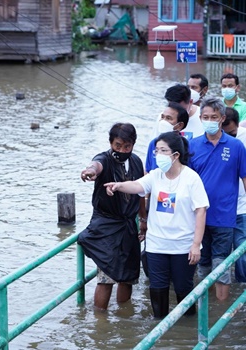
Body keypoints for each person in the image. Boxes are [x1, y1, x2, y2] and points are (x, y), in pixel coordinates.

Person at [105, 131, 208, 318]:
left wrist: (195, 245)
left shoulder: (191, 178)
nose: (158, 155)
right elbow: (137, 186)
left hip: (182, 246)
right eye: (156, 151)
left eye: (163, 150)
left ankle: (187, 329)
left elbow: (201, 211)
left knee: (183, 287)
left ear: (175, 155)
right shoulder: (156, 175)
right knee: (157, 286)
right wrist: (118, 185)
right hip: (156, 245)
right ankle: (161, 330)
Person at [78, 123, 146, 310]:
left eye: (127, 146)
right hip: (106, 224)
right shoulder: (104, 160)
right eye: (117, 145)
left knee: (129, 277)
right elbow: (95, 165)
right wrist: (90, 171)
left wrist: (143, 220)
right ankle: (101, 322)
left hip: (129, 225)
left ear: (133, 145)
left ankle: (124, 316)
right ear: (110, 143)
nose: (122, 150)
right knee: (106, 277)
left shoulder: (136, 162)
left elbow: (141, 192)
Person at [189, 96, 246, 300]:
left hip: (224, 216)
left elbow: (245, 178)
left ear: (222, 118)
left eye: (214, 116)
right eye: (205, 117)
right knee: (202, 265)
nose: (209, 120)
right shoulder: (193, 146)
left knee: (221, 266)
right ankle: (207, 308)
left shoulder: (236, 146)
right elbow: (187, 182)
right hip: (198, 216)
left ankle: (221, 312)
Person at [221, 107, 246, 283]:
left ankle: (242, 290)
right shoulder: (213, 142)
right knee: (219, 256)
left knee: (242, 253)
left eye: (233, 133)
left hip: (242, 205)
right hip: (219, 208)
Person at [145, 102, 189, 172]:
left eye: (168, 118)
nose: (163, 121)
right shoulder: (154, 143)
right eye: (162, 117)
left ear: (180, 125)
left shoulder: (186, 146)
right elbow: (147, 170)